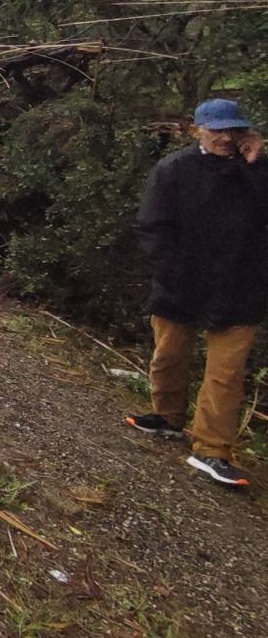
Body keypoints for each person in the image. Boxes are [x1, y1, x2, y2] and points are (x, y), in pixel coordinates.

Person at [127, 98, 268, 487]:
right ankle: (167, 417)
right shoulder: (174, 169)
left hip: (240, 288)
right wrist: (171, 268)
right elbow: (153, 225)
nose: (226, 137)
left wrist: (256, 165)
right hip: (182, 282)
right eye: (217, 129)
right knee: (169, 355)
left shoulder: (257, 170)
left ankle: (212, 450)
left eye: (234, 130)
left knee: (226, 375)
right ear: (197, 130)